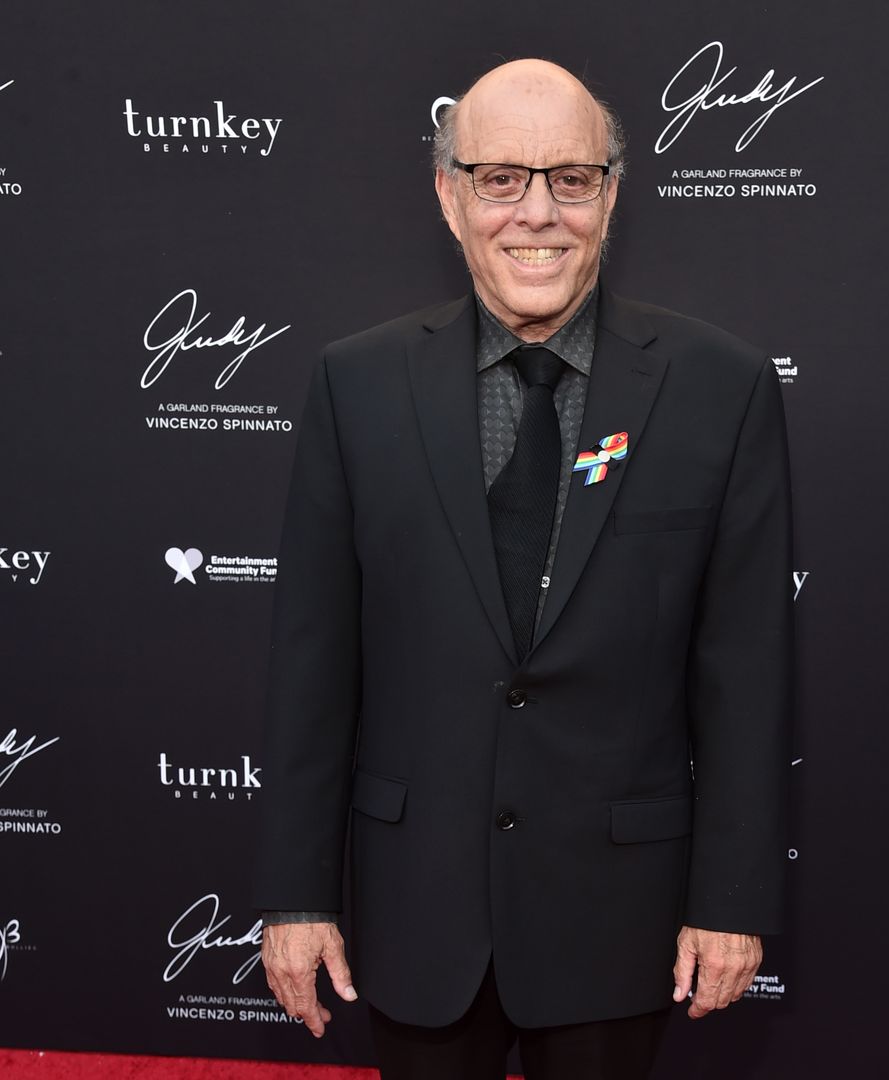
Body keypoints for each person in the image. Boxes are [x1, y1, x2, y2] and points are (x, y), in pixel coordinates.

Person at [253, 58, 792, 1080]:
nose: (537, 213)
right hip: (416, 918)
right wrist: (296, 895)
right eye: (500, 178)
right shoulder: (354, 384)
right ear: (449, 196)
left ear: (612, 195)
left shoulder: (722, 388)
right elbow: (312, 665)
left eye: (571, 179)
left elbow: (747, 673)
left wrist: (731, 902)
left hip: (619, 918)